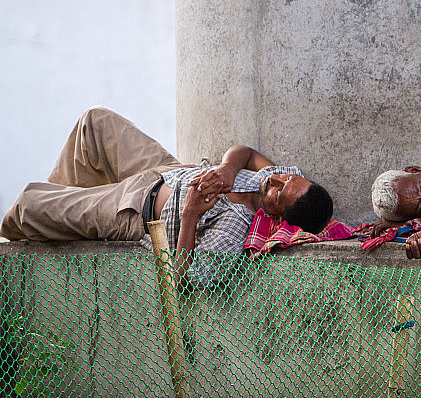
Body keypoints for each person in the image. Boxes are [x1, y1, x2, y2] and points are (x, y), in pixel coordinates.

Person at [1, 106, 333, 285]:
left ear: (276, 216)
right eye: (283, 177)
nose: (274, 178)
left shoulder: (234, 229)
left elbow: (183, 276)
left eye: (278, 191)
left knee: (28, 206)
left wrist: (190, 214)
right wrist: (229, 169)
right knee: (95, 123)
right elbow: (245, 152)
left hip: (135, 209)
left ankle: (63, 212)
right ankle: (66, 210)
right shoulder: (286, 181)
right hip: (164, 170)